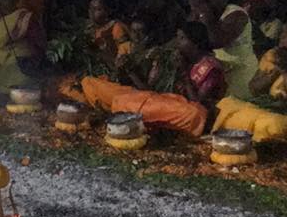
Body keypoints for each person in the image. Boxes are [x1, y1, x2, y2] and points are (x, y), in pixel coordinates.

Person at [80, 22, 223, 137]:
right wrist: (129, 71)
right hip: (164, 103)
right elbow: (150, 92)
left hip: (191, 114)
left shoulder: (211, 68)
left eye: (182, 39)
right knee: (130, 98)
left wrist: (183, 73)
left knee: (193, 113)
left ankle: (129, 112)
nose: (177, 43)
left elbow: (198, 103)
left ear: (195, 43)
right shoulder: (168, 59)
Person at [190, 0, 258, 99]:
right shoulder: (213, 13)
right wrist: (195, 10)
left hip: (239, 73)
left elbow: (217, 41)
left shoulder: (237, 14)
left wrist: (204, 12)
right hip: (220, 72)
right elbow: (190, 32)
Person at [86, 0, 132, 72]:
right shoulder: (88, 29)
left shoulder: (115, 27)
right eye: (91, 9)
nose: (92, 12)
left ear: (107, 11)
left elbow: (123, 52)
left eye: (98, 9)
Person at [249, 26, 287, 100]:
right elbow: (254, 87)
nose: (282, 38)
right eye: (283, 34)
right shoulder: (272, 55)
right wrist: (273, 74)